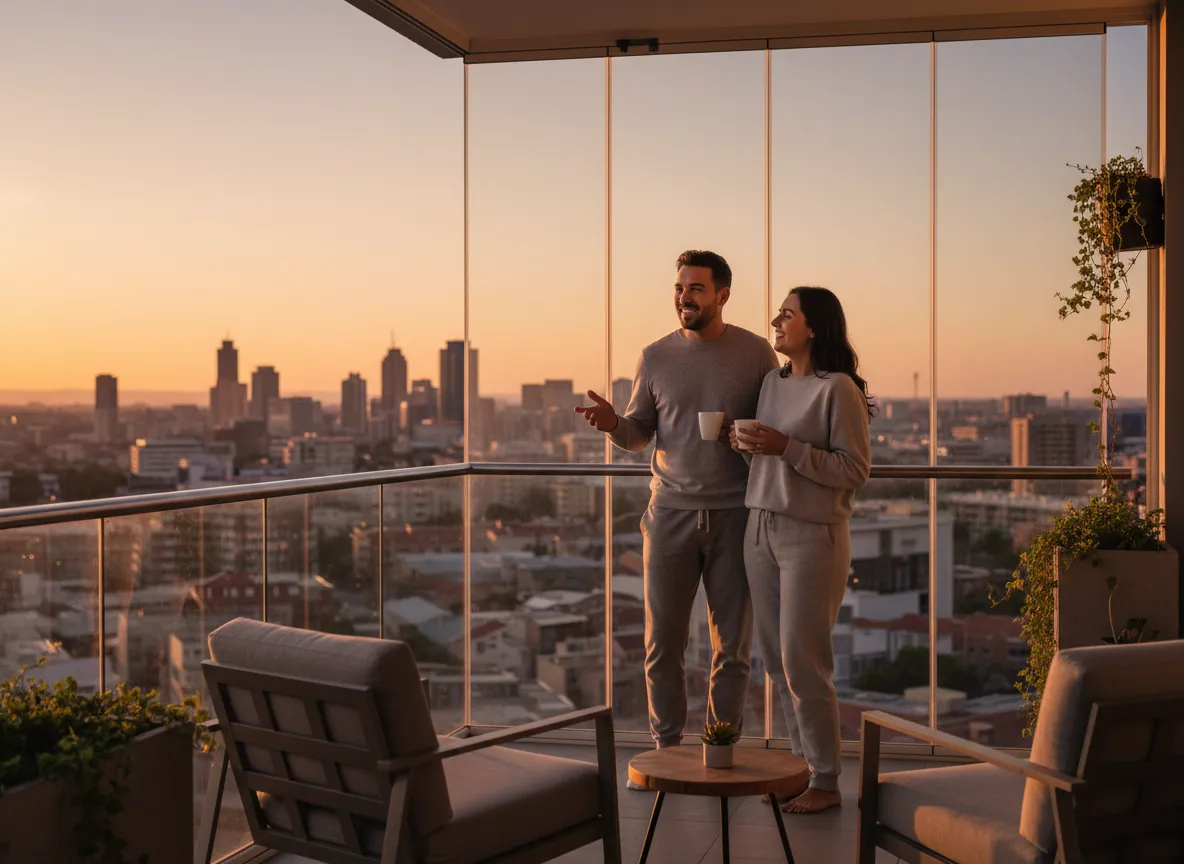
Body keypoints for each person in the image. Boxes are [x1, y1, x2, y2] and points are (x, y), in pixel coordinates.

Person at [576, 250, 779, 772]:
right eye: (679, 288)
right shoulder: (655, 357)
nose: (683, 297)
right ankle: (666, 751)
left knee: (731, 648)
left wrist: (744, 436)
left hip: (736, 515)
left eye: (695, 288)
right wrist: (613, 425)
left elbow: (779, 427)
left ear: (722, 295)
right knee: (661, 644)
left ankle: (719, 751)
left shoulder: (757, 354)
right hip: (669, 515)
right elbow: (639, 434)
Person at [732, 286, 873, 814]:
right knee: (775, 660)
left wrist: (785, 447)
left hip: (812, 536)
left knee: (803, 661)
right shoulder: (772, 383)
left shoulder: (838, 389)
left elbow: (854, 470)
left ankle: (827, 780)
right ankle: (803, 769)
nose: (776, 321)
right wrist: (746, 446)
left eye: (787, 315)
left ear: (812, 328)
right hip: (759, 529)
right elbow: (769, 461)